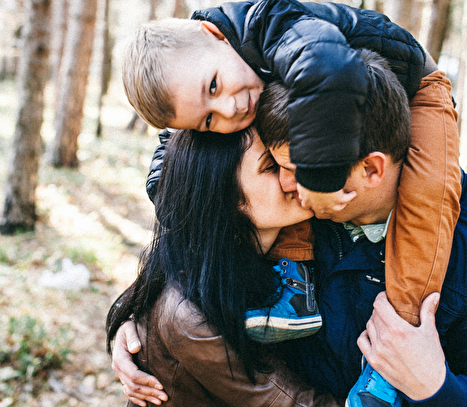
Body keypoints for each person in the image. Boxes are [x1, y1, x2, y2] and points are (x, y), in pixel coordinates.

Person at [114, 51, 467, 407]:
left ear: (370, 170)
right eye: (275, 164)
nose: (288, 183)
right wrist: (138, 321)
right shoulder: (298, 194)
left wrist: (436, 387)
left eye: (298, 170)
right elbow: (197, 164)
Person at [106, 126, 340, 406]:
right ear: (227, 198)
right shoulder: (192, 315)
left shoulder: (266, 260)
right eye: (271, 166)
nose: (294, 176)